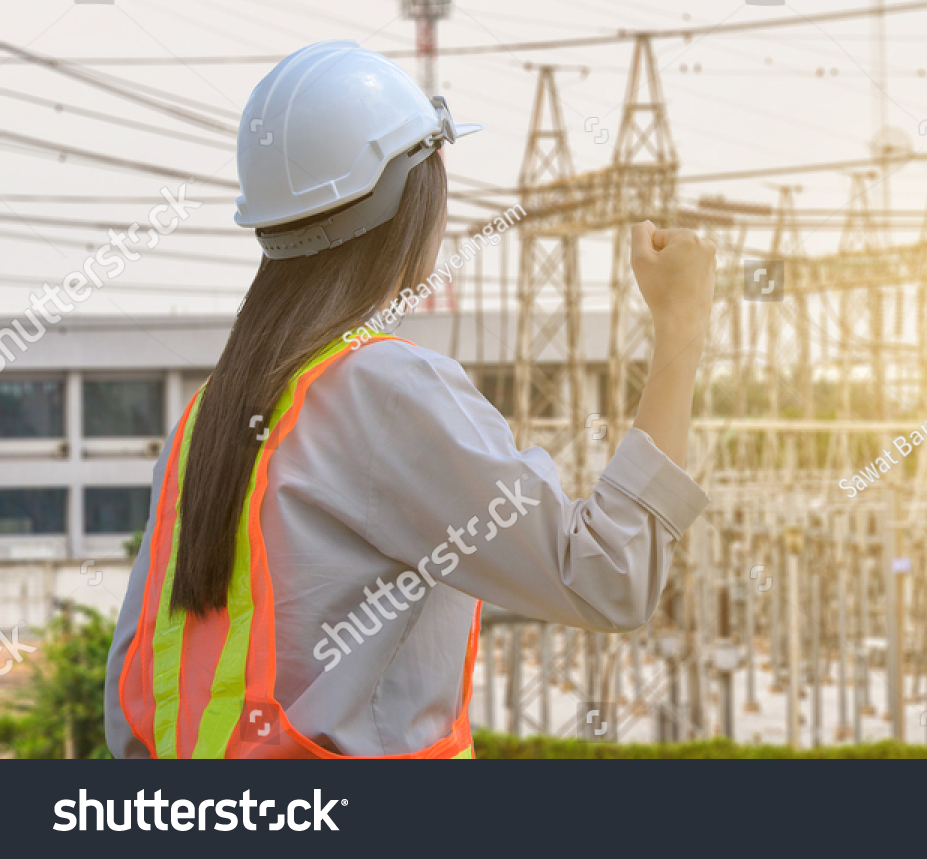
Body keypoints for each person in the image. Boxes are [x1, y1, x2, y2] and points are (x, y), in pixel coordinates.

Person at [104, 41, 716, 758]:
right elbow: (610, 575)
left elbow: (136, 696)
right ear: (409, 202)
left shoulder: (207, 416)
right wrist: (682, 329)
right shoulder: (382, 391)